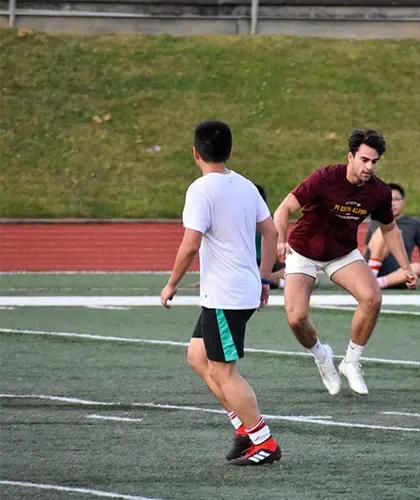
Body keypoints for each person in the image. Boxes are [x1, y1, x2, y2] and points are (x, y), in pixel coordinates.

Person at [160, 120, 281, 465]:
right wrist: (263, 279)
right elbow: (271, 234)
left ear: (195, 153)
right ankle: (244, 429)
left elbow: (190, 244)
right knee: (198, 357)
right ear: (229, 152)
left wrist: (172, 284)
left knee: (226, 372)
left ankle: (264, 441)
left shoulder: (201, 190)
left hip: (227, 295)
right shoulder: (245, 186)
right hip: (230, 292)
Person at [273, 129, 418, 396]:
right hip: (304, 250)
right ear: (350, 157)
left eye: (374, 162)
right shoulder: (325, 178)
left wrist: (406, 266)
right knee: (296, 319)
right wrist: (281, 239)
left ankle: (351, 361)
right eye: (364, 160)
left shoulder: (379, 191)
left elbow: (389, 229)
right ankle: (322, 356)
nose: (369, 167)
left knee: (372, 297)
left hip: (342, 253)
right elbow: (283, 209)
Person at [364, 183, 420, 289]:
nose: (392, 204)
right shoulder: (375, 221)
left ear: (403, 202)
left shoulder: (414, 224)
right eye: (388, 199)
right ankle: (371, 275)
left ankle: (376, 283)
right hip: (373, 268)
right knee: (384, 231)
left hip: (398, 274)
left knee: (418, 267)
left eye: (396, 199)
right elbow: (367, 249)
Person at [255, 185, 287, 289]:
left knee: (302, 270)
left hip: (268, 264)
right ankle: (279, 282)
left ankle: (272, 279)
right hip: (252, 264)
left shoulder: (270, 221)